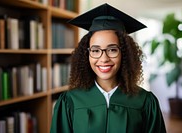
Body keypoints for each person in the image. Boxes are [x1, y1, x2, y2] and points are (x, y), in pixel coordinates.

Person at [50, 3, 166, 133]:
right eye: (95, 50)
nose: (104, 58)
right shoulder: (70, 101)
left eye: (112, 49)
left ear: (125, 53)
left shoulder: (145, 102)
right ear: (87, 54)